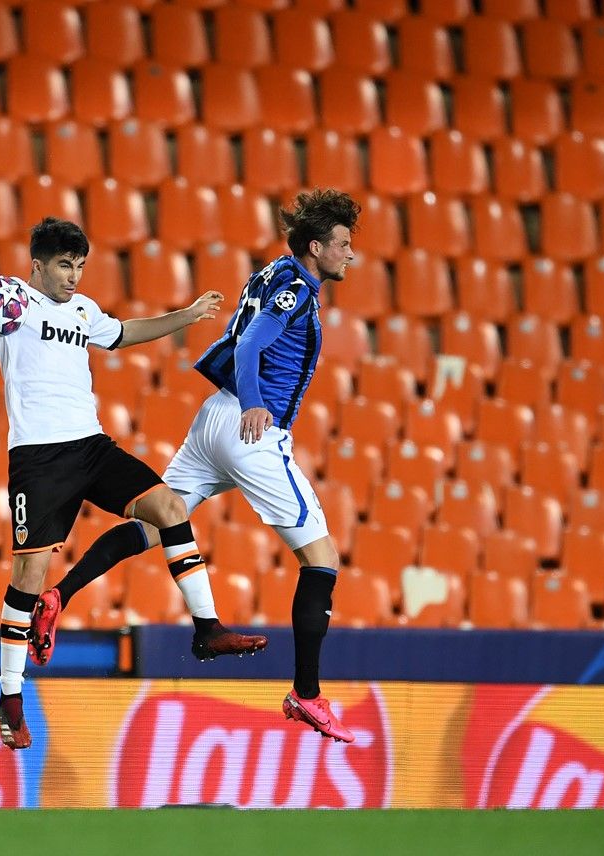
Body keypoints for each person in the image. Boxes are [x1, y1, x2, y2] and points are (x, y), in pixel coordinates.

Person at [0, 198, 268, 752]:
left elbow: (126, 332)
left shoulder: (83, 312)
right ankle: (10, 695)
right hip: (39, 457)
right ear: (37, 265)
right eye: (64, 265)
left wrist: (189, 314)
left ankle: (207, 629)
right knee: (29, 576)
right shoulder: (11, 304)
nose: (73, 275)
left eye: (79, 265)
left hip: (91, 446)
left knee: (171, 509)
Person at [31, 189, 362, 743]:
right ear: (315, 247)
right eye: (344, 244)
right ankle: (306, 694)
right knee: (322, 560)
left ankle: (58, 594)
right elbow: (254, 343)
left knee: (159, 519)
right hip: (251, 428)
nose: (350, 255)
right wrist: (256, 400)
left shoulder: (272, 272)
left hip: (214, 419)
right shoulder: (297, 292)